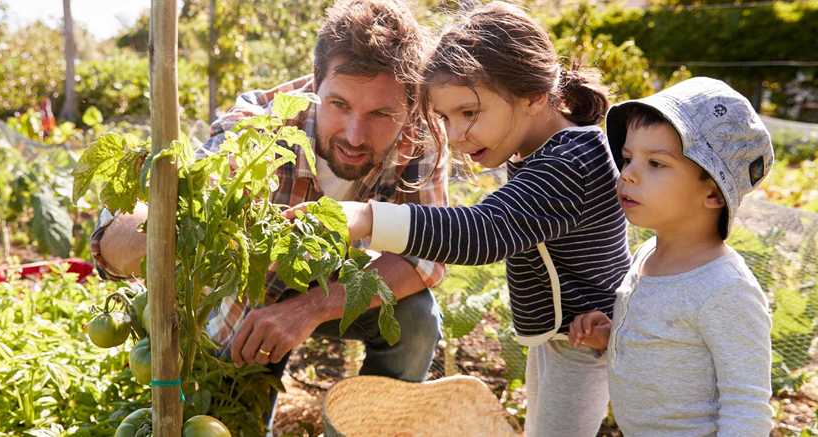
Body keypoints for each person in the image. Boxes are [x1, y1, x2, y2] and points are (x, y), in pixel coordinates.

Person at [90, 0, 447, 432]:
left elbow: (425, 257)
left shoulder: (421, 136)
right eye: (339, 104)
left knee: (416, 318)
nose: (355, 134)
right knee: (233, 418)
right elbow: (128, 230)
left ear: (409, 105)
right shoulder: (259, 127)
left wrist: (311, 308)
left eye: (380, 114)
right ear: (314, 84)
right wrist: (151, 236)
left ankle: (375, 425)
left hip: (339, 292)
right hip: (250, 306)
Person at [287, 3, 632, 436]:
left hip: (589, 340)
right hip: (566, 337)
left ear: (535, 96)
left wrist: (368, 217)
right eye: (445, 117)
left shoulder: (570, 162)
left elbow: (483, 232)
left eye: (469, 113)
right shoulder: (538, 149)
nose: (454, 135)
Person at [568, 77, 775, 436]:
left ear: (713, 192)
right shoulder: (648, 253)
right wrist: (614, 333)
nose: (628, 174)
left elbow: (748, 409)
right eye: (629, 158)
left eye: (656, 164)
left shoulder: (725, 290)